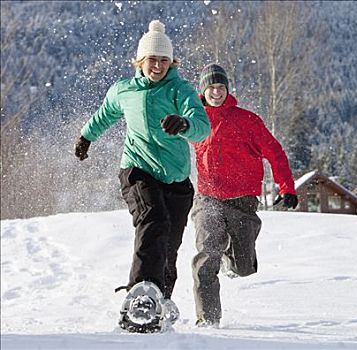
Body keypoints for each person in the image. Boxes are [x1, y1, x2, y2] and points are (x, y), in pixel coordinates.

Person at [74, 20, 211, 323]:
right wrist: (86, 137)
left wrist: (184, 124)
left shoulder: (180, 90)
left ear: (171, 62)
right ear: (140, 61)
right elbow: (104, 114)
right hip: (137, 170)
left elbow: (202, 127)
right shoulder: (124, 90)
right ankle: (141, 294)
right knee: (154, 219)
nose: (158, 66)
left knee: (170, 242)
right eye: (152, 59)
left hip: (176, 179)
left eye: (164, 60)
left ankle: (160, 296)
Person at [191, 63, 298, 327]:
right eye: (211, 87)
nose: (216, 92)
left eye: (221, 87)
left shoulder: (247, 121)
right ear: (203, 91)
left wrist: (287, 188)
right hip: (208, 198)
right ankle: (208, 320)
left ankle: (232, 257)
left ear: (227, 89)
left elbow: (275, 152)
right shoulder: (196, 121)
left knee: (243, 266)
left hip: (242, 201)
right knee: (206, 255)